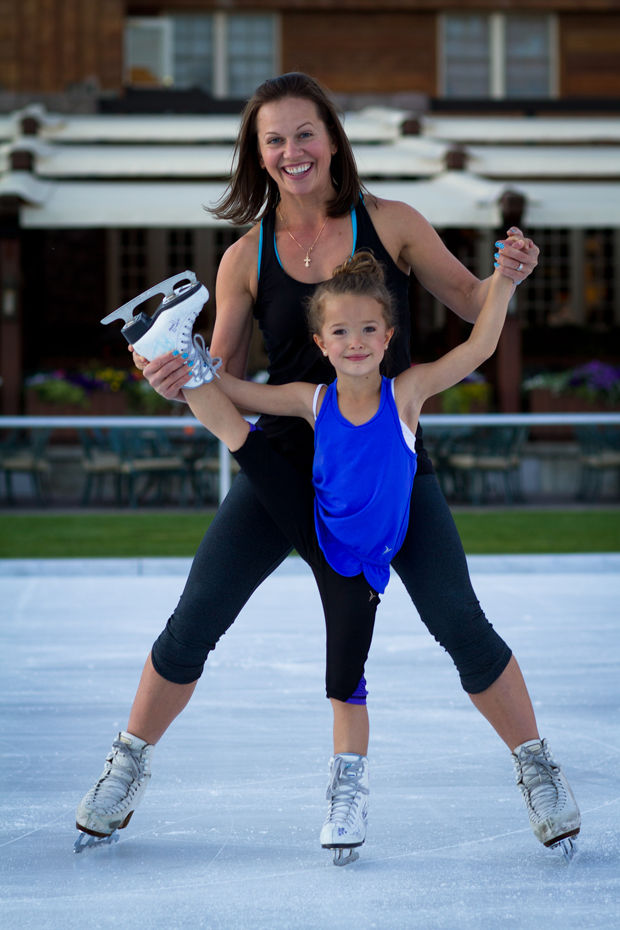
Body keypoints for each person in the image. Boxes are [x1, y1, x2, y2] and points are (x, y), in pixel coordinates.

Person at [76, 72, 579, 861]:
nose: (290, 152)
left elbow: (472, 303)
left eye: (304, 134)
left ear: (333, 139)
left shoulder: (394, 224)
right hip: (284, 470)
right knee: (196, 616)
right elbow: (223, 370)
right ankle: (126, 764)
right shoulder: (245, 257)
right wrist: (171, 372)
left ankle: (537, 768)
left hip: (387, 468)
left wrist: (510, 271)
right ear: (258, 154)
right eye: (273, 140)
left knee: (460, 623)